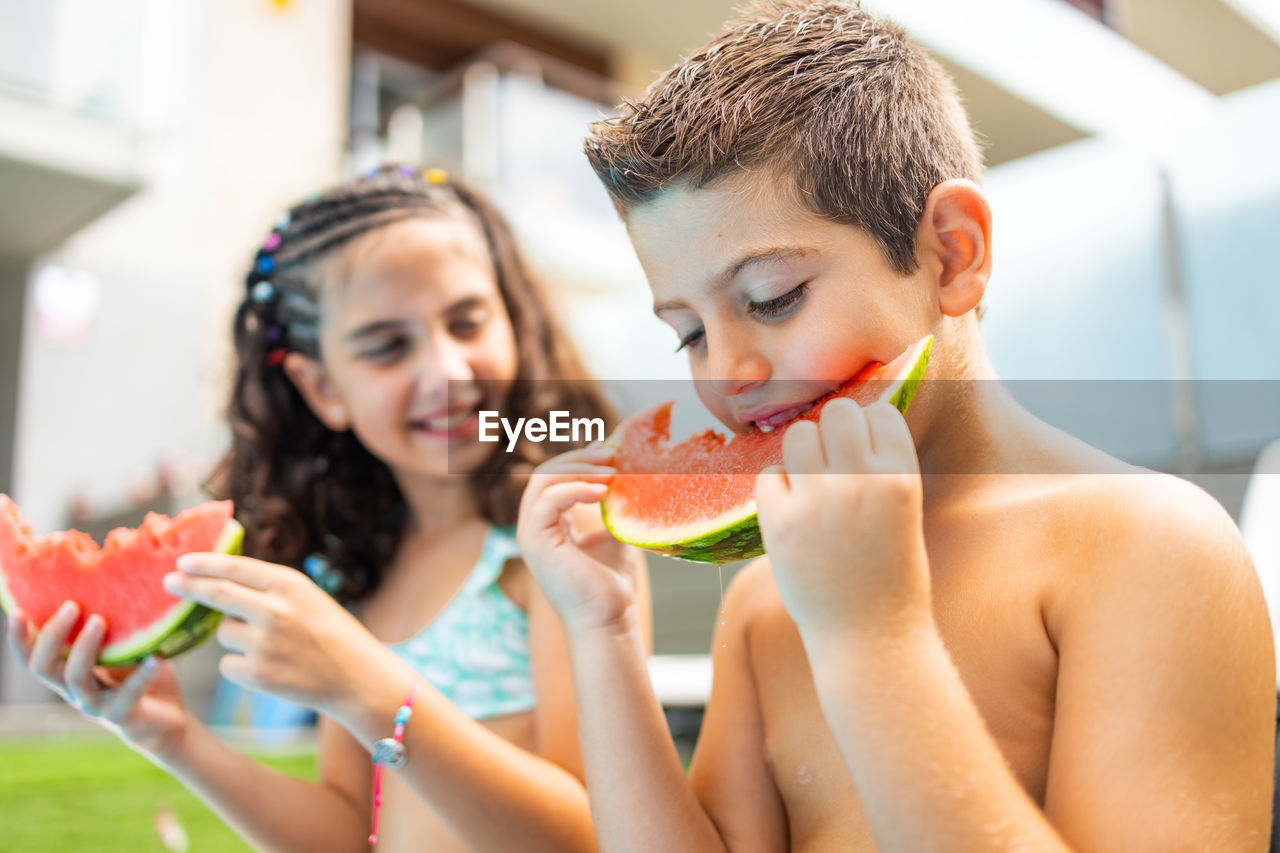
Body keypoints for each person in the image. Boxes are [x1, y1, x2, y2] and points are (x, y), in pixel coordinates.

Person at [516, 3, 1275, 850]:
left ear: (951, 254)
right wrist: (605, 631)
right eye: (689, 333)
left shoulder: (1150, 545)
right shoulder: (768, 598)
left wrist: (871, 633)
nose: (725, 371)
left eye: (773, 297)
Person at [7, 164, 646, 852]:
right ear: (322, 389)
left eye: (467, 320)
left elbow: (598, 834)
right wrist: (174, 736)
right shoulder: (355, 569)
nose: (448, 371)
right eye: (387, 346)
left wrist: (370, 687)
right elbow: (347, 830)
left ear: (513, 320)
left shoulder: (558, 537)